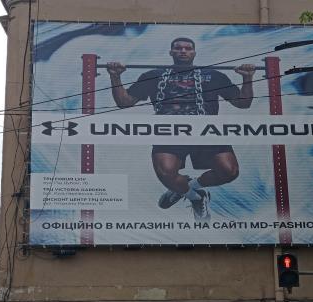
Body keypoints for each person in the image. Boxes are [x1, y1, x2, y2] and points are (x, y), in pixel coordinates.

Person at [107, 37, 255, 221]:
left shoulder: (213, 75)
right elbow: (124, 102)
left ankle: (189, 187)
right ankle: (196, 197)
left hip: (205, 130)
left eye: (188, 48)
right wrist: (115, 76)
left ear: (194, 52)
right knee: (166, 173)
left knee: (229, 171)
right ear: (171, 52)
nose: (183, 51)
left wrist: (247, 78)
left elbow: (243, 103)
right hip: (171, 131)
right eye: (178, 48)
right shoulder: (153, 75)